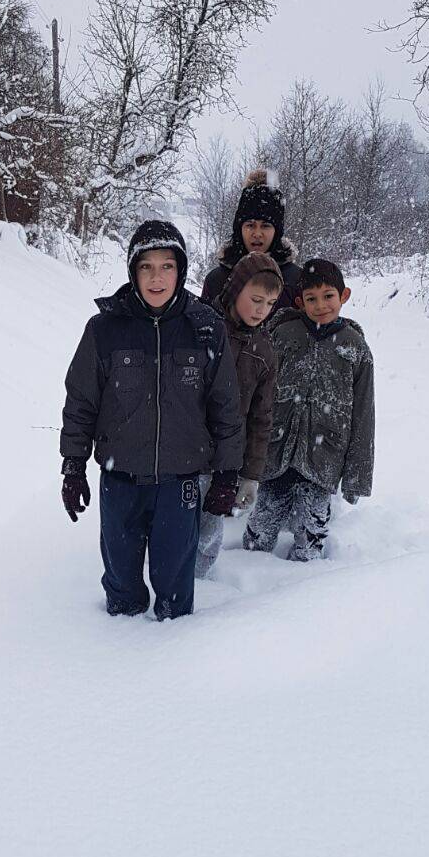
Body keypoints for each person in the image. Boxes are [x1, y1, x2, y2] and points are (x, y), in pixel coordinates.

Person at [60, 218, 244, 620]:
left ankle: (172, 664)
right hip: (120, 479)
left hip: (180, 484)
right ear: (133, 270)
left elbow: (225, 407)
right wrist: (73, 466)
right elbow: (81, 403)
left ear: (180, 269)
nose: (156, 277)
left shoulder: (206, 328)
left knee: (176, 590)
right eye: (146, 266)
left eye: (167, 266)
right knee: (122, 585)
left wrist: (228, 473)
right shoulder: (105, 330)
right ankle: (117, 657)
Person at [243, 257, 374, 562]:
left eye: (329, 296)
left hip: (323, 460)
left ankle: (306, 589)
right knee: (263, 521)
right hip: (276, 453)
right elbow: (258, 396)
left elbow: (364, 417)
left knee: (310, 530)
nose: (321, 306)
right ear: (300, 302)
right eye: (312, 299)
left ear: (344, 296)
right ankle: (245, 574)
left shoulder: (355, 348)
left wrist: (357, 477)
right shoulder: (283, 336)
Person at [196, 252, 282, 578]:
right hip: (183, 453)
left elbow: (262, 418)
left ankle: (199, 586)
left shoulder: (265, 352)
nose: (262, 310)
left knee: (208, 532)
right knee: (171, 526)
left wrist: (252, 475)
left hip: (223, 462)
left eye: (270, 303)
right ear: (235, 291)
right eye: (256, 299)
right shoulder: (202, 327)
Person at [200, 168, 302, 313]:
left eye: (265, 226)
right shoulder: (217, 280)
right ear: (239, 228)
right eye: (250, 225)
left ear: (277, 231)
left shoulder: (295, 280)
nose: (257, 233)